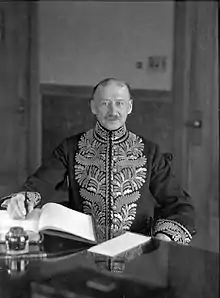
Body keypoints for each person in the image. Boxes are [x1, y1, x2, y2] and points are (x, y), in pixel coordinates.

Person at [1, 78, 196, 244]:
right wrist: (21, 200)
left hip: (138, 253)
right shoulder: (70, 148)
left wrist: (165, 236)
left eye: (119, 103)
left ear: (130, 107)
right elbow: (40, 184)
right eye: (105, 103)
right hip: (83, 250)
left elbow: (180, 205)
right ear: (93, 107)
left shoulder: (150, 152)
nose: (113, 111)